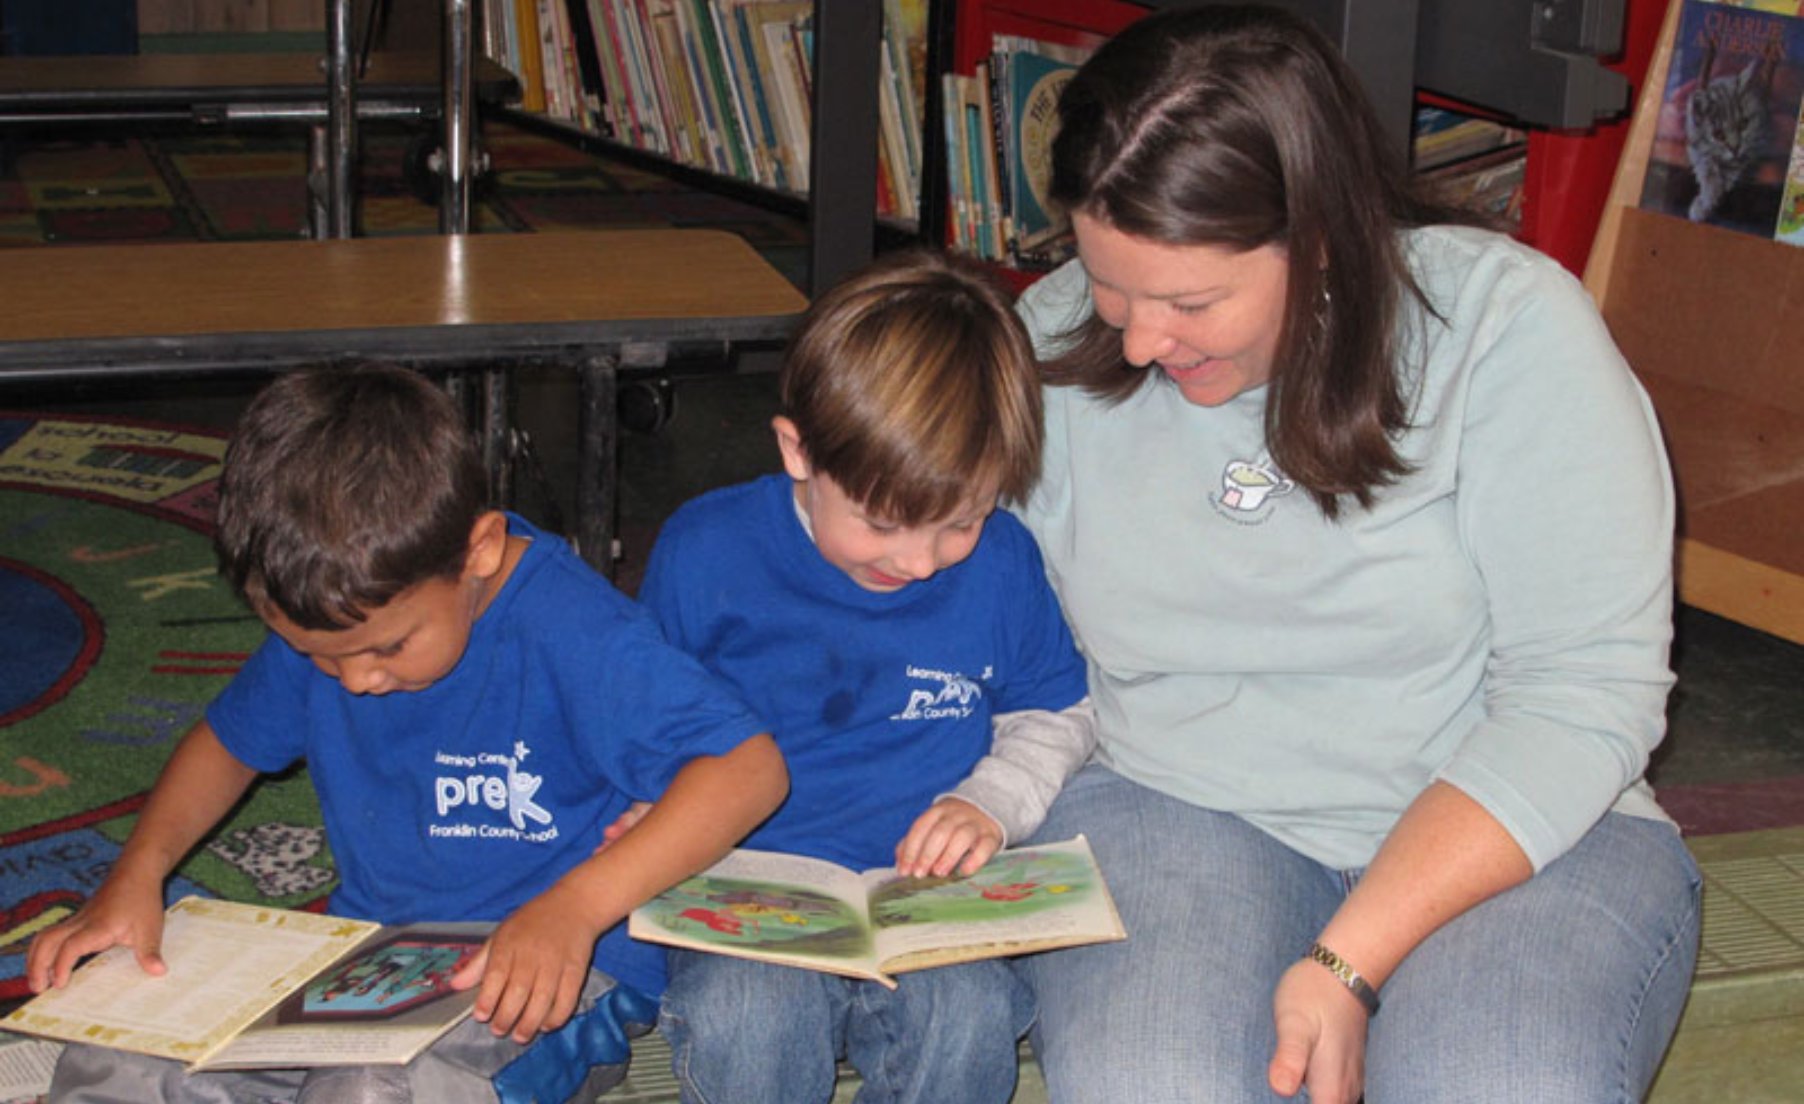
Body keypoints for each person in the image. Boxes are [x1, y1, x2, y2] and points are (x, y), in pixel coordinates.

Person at [1007, 7, 1702, 1104]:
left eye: (1189, 301)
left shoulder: (1506, 330)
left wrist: (1347, 960)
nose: (1137, 341)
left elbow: (1582, 699)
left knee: (1501, 1083)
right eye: (1107, 283)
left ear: (1321, 235)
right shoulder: (1045, 348)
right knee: (1153, 1081)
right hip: (1174, 800)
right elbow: (935, 604)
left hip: (1517, 825)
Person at [26, 363, 788, 1104]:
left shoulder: (578, 632)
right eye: (317, 656)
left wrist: (574, 910)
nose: (355, 679)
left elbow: (748, 769)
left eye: (387, 649)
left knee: (370, 1091)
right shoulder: (342, 620)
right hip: (363, 961)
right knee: (119, 1062)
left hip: (551, 979)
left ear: (479, 550)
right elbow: (226, 743)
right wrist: (139, 871)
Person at [633, 247, 1095, 1104]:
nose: (920, 561)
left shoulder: (1001, 564)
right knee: (748, 1020)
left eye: (961, 520)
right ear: (798, 453)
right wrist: (647, 805)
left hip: (926, 898)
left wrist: (991, 801)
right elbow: (637, 722)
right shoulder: (706, 553)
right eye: (884, 523)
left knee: (968, 1017)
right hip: (747, 885)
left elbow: (1057, 710)